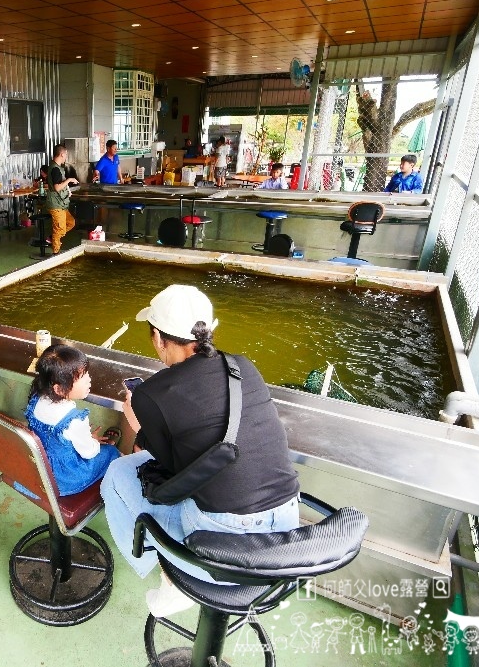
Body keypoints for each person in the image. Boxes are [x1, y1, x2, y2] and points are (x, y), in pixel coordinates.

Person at [100, 284, 301, 618]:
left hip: (224, 541)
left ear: (158, 337)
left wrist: (138, 427)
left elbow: (174, 475)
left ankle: (175, 580)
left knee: (118, 475)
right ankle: (182, 575)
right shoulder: (243, 366)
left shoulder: (150, 395)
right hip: (287, 527)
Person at [26, 344, 120, 496]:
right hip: (63, 480)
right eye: (82, 377)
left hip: (39, 468)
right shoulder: (74, 421)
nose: (89, 379)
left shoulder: (36, 399)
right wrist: (93, 441)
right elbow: (88, 453)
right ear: (59, 389)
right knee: (110, 452)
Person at [46, 144, 79, 254]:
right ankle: (56, 253)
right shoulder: (55, 169)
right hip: (56, 204)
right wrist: (69, 180)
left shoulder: (58, 167)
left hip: (61, 203)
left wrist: (68, 190)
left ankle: (53, 237)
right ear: (62, 154)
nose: (66, 157)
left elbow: (61, 183)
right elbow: (57, 187)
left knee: (70, 222)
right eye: (65, 155)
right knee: (59, 229)